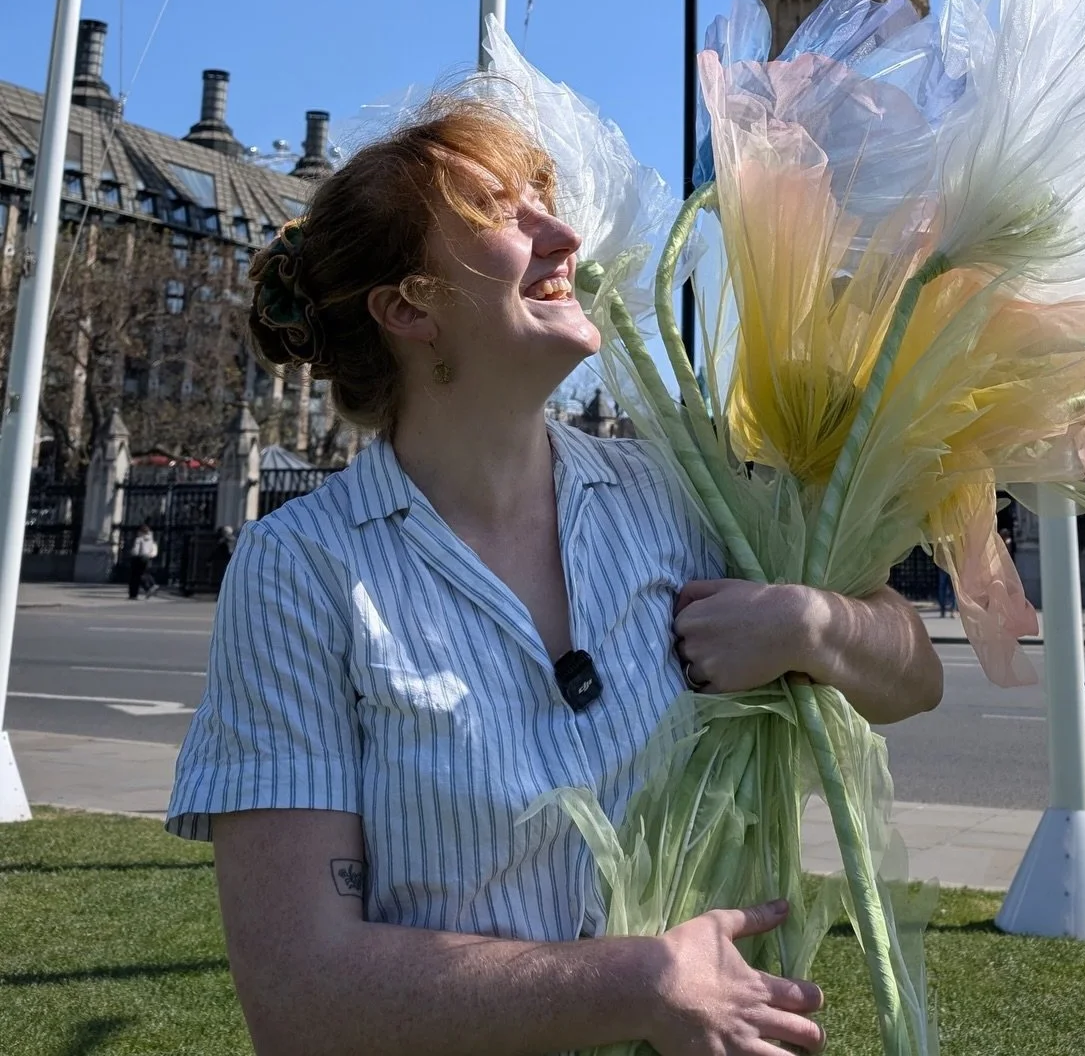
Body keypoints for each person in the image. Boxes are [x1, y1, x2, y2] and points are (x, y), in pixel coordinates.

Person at [166, 97, 943, 1056]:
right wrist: (644, 982)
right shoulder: (305, 572)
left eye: (547, 199)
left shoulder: (669, 493)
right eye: (505, 213)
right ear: (408, 306)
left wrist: (811, 626)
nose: (565, 235)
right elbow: (300, 994)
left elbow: (914, 678)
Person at [129, 525, 159, 600]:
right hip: (147, 557)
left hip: (139, 558)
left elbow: (136, 550)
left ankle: (147, 588)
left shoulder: (139, 539)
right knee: (144, 573)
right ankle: (151, 585)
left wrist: (133, 553)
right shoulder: (151, 539)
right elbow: (154, 550)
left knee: (137, 575)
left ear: (141, 532)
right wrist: (151, 555)